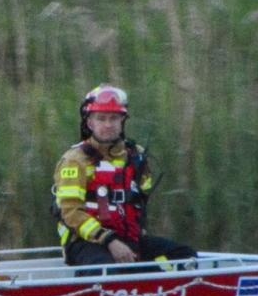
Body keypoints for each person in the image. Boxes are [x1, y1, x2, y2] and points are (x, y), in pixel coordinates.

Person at [52, 84, 195, 269]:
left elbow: (139, 203)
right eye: (101, 119)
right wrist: (109, 240)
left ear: (122, 121)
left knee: (185, 255)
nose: (108, 125)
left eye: (114, 118)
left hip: (128, 238)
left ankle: (166, 293)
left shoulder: (136, 156)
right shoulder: (76, 160)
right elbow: (71, 212)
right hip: (86, 242)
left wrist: (134, 236)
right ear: (90, 123)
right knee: (107, 270)